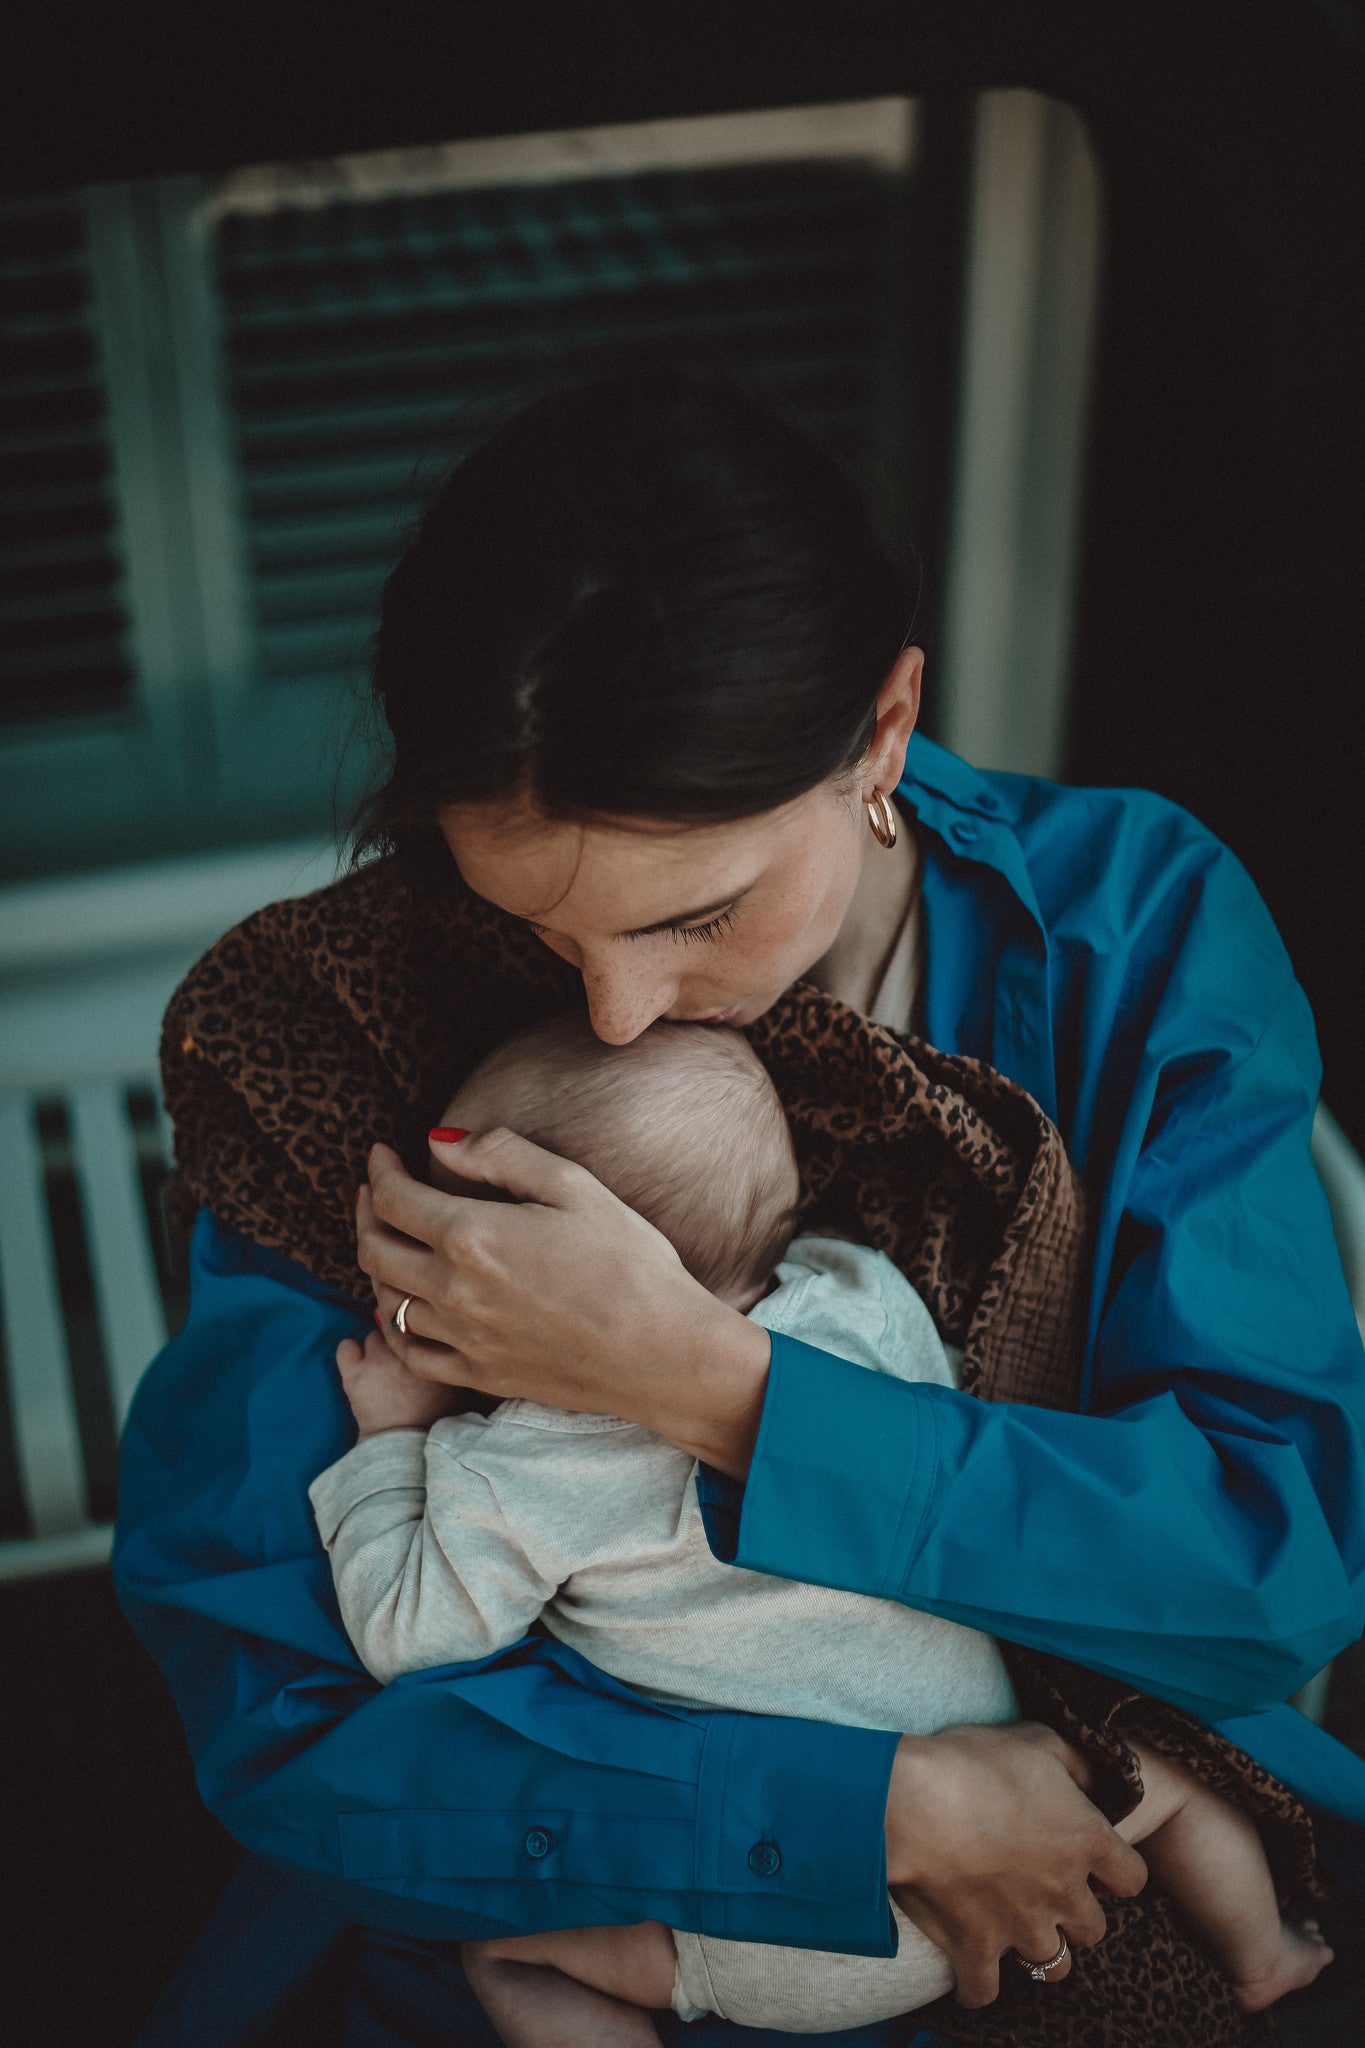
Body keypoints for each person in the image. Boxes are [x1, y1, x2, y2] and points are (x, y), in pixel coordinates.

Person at [115, 364, 1365, 2048]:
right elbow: (280, 1708)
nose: (621, 1010)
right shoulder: (337, 1031)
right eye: (547, 933)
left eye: (699, 911)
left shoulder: (1128, 934)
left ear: (887, 731)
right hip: (542, 1896)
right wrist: (871, 1807)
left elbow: (1266, 1568)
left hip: (1092, 1861)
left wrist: (711, 1390)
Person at [311, 1009, 1335, 2041]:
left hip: (777, 1924)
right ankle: (1264, 1957)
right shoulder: (860, 1296)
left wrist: (393, 1445)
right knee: (1172, 1764)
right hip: (1036, 1813)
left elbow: (411, 1635)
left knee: (509, 1957)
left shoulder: (520, 1466)